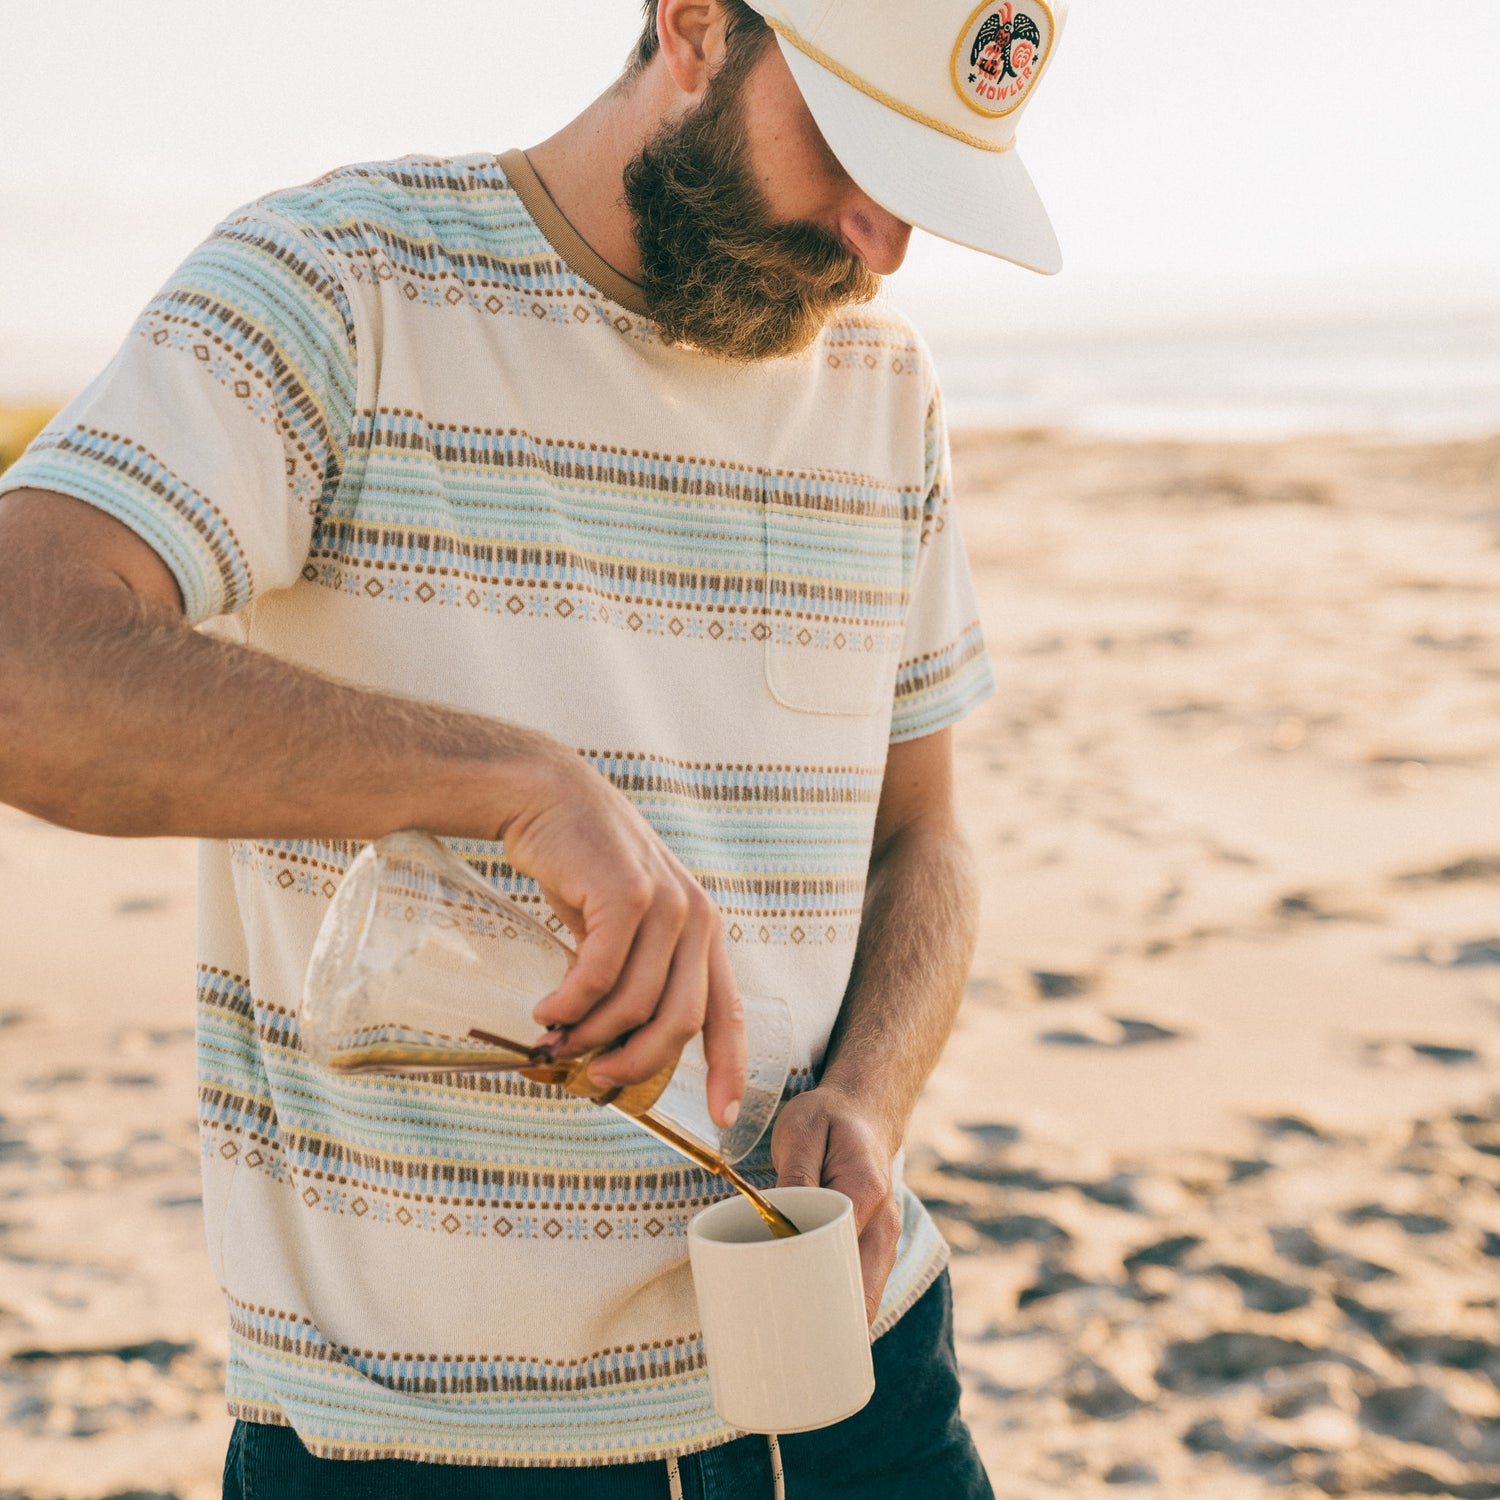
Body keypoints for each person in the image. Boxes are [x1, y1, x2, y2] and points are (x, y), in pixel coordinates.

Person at [0, 0, 1067, 1492]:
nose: (883, 242)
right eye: (857, 150)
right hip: (426, 1441)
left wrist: (871, 1096)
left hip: (858, 1384)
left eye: (933, 190)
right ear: (693, 25)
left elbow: (922, 836)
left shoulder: (886, 388)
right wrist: (511, 785)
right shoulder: (338, 284)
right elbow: (24, 663)